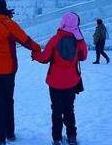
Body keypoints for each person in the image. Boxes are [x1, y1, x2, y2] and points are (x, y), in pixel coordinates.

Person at [0, 0, 41, 145]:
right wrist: (37, 49)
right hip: (7, 70)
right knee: (7, 100)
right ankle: (9, 133)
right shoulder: (8, 24)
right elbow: (25, 40)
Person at [33, 12, 87, 145]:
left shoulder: (55, 39)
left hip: (55, 83)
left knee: (56, 110)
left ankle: (56, 138)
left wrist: (35, 54)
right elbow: (83, 56)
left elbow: (44, 58)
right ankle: (72, 137)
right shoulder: (78, 41)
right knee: (69, 109)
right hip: (71, 82)